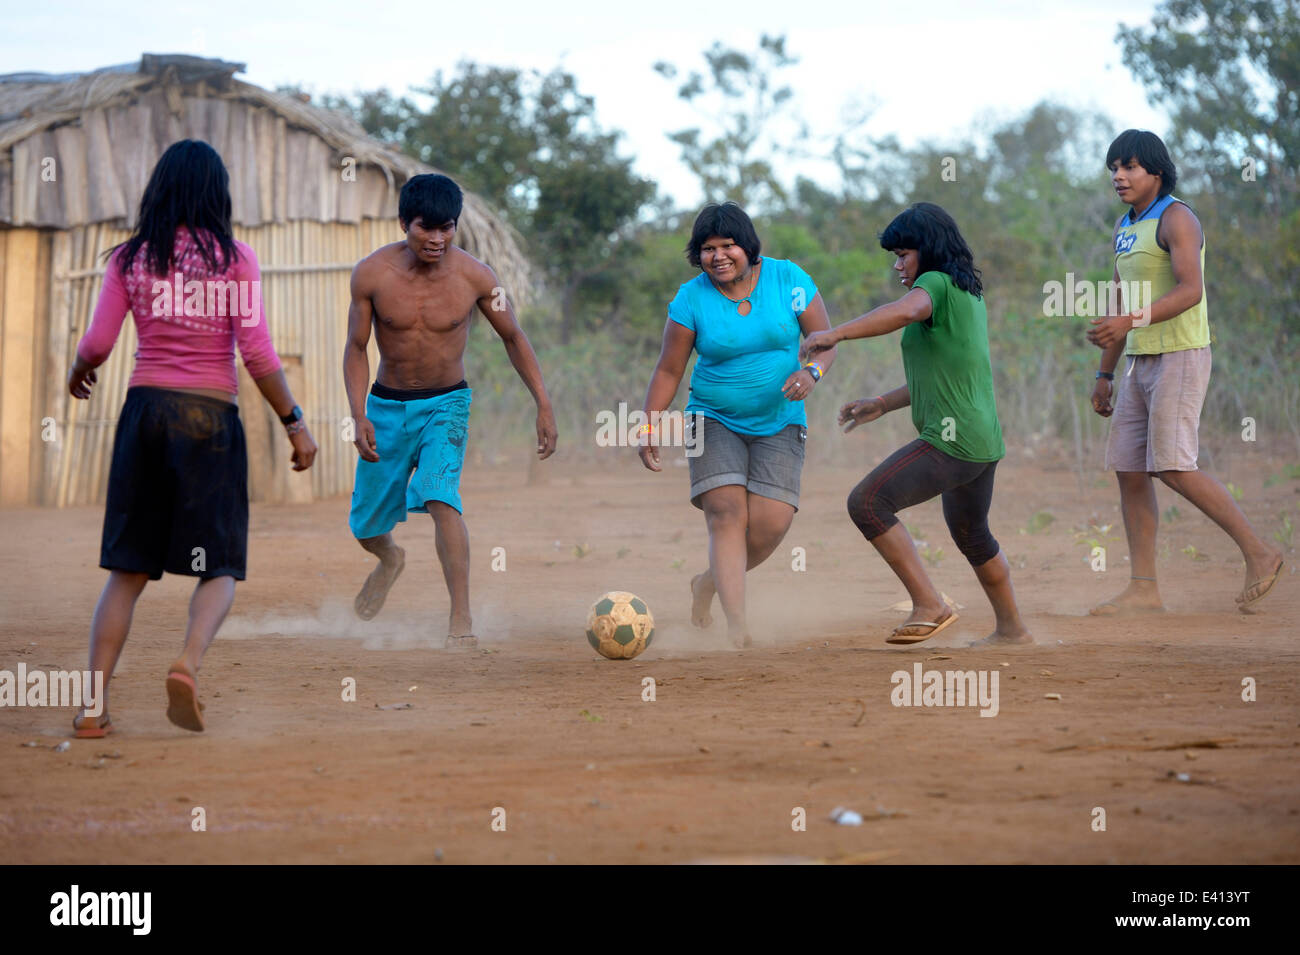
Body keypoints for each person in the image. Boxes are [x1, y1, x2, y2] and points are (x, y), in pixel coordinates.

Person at [67, 139, 317, 737]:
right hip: (209, 420)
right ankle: (187, 662)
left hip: (146, 414)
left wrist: (79, 368)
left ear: (159, 189)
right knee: (218, 563)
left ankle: (94, 709)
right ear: (217, 193)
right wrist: (295, 422)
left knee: (127, 570)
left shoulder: (129, 259)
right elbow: (256, 354)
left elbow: (98, 344)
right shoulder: (236, 260)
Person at [802, 202, 1030, 646]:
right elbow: (945, 375)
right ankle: (1012, 630)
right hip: (981, 438)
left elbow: (905, 311)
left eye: (904, 254)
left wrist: (836, 333)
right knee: (973, 534)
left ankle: (930, 603)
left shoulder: (936, 283)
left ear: (928, 251)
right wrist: (883, 403)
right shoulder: (968, 292)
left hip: (953, 438)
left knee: (866, 502)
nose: (898, 265)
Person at [344, 174, 557, 646]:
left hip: (448, 404)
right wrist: (358, 414)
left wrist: (542, 403)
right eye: (427, 228)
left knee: (442, 496)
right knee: (365, 527)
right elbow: (356, 347)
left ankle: (460, 619)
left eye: (447, 228)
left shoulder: (478, 277)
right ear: (404, 222)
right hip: (385, 405)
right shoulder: (371, 274)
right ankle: (390, 559)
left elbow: (514, 337)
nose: (437, 239)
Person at [1086, 129, 1283, 615]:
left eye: (1130, 167)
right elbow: (1119, 297)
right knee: (1130, 470)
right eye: (1114, 167)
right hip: (1138, 361)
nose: (1119, 176)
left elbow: (1190, 290)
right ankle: (1143, 589)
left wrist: (1128, 321)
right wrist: (1104, 373)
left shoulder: (1178, 217)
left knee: (1172, 466)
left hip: (1181, 353)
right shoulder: (1124, 225)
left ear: (1156, 171)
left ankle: (1261, 552)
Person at [639, 201, 836, 648]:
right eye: (708, 248)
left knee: (770, 525)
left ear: (748, 247)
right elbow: (668, 370)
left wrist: (811, 373)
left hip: (780, 420)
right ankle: (738, 626)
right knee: (726, 514)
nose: (719, 256)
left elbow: (825, 344)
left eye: (728, 245)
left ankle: (707, 583)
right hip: (711, 417)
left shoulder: (790, 281)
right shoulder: (690, 299)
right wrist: (649, 425)